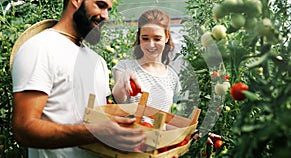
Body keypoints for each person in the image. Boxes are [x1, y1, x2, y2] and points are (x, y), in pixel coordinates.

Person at [11, 0, 146, 157]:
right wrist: (93, 133)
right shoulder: (40, 48)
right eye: (100, 5)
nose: (106, 16)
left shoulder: (98, 61)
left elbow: (98, 122)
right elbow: (24, 129)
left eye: (109, 9)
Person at [112, 8, 221, 147]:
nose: (151, 44)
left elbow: (167, 123)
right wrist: (125, 76)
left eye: (157, 38)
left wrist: (193, 132)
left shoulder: (171, 77)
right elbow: (118, 98)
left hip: (159, 148)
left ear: (167, 37)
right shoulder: (124, 67)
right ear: (139, 38)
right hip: (131, 147)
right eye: (145, 38)